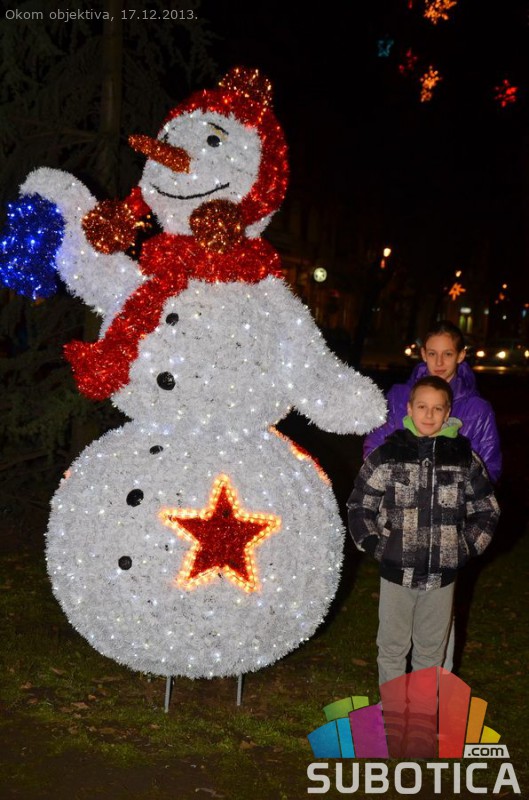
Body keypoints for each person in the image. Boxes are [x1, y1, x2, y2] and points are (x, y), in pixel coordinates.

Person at [347, 376, 499, 687]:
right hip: (396, 574)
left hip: (441, 578)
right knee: (392, 648)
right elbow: (360, 504)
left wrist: (464, 546)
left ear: (447, 413)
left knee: (431, 654)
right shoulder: (388, 455)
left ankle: (420, 715)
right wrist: (376, 544)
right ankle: (394, 713)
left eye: (437, 408)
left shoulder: (463, 459)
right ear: (409, 409)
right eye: (422, 407)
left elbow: (487, 509)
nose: (429, 415)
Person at [363, 320, 502, 484]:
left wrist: (450, 489)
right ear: (423, 354)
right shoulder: (398, 397)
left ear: (461, 355)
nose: (439, 362)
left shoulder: (478, 410)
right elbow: (374, 448)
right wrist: (399, 485)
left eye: (447, 354)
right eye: (432, 354)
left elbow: (489, 468)